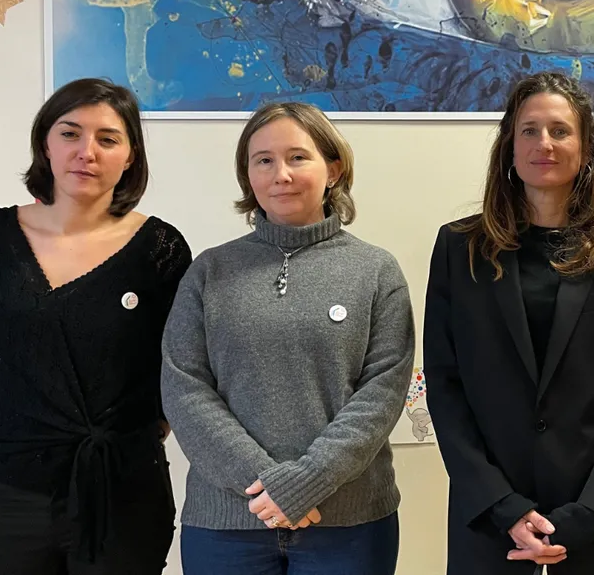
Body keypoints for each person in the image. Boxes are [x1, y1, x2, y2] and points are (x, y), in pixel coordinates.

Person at [0, 77, 192, 574]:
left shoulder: (161, 249)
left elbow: (181, 369)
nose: (87, 152)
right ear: (45, 143)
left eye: (108, 139)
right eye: (70, 133)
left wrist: (128, 442)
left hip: (124, 492)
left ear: (130, 156)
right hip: (14, 491)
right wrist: (26, 439)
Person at [423, 71, 594, 575]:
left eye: (560, 130)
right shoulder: (458, 248)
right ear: (509, 146)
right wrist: (500, 503)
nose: (544, 144)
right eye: (529, 130)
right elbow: (445, 388)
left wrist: (592, 511)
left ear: (586, 147)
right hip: (491, 519)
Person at [161, 101, 415, 575]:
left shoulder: (376, 271)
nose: (281, 174)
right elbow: (184, 387)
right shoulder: (209, 272)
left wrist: (308, 481)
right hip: (226, 526)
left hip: (349, 526)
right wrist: (265, 484)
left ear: (333, 168)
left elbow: (382, 393)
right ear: (248, 176)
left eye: (298, 157)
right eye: (264, 160)